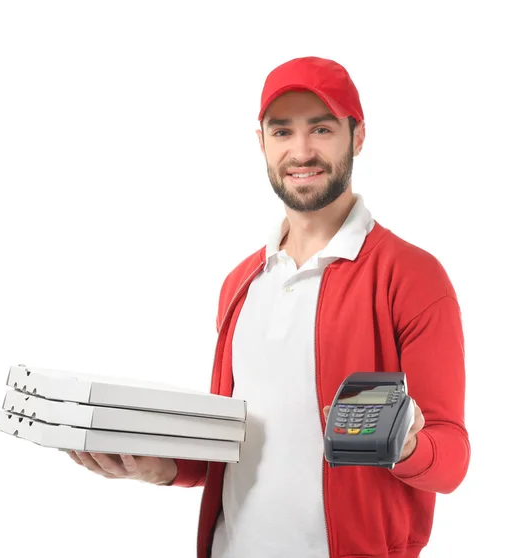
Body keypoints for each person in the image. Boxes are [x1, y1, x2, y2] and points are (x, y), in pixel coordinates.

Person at [67, 56, 471, 558]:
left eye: (321, 129)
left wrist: (405, 445)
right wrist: (162, 467)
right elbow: (237, 449)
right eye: (282, 132)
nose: (301, 151)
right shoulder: (242, 282)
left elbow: (451, 458)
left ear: (358, 136)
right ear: (261, 142)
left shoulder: (411, 276)